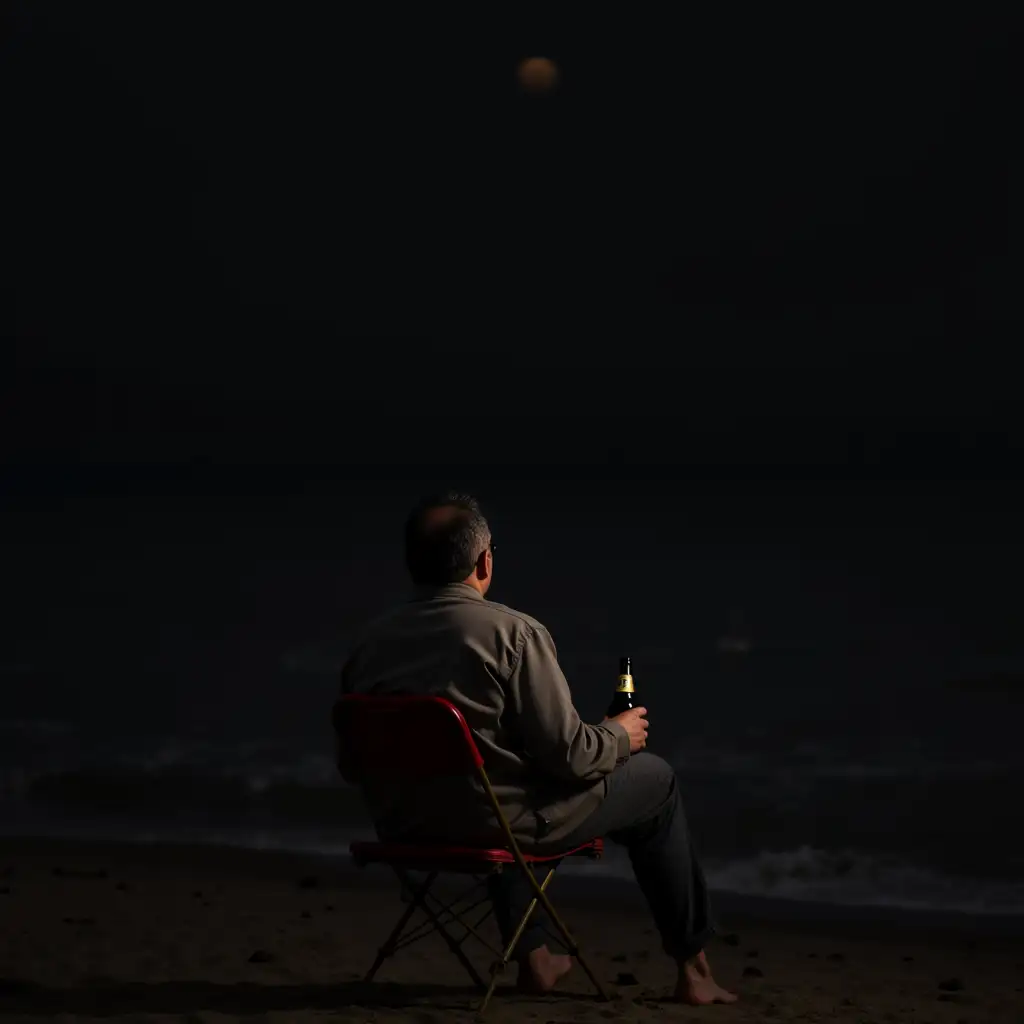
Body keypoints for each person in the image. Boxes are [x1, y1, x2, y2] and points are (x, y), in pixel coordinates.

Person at [338, 492, 737, 1005]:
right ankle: (694, 968)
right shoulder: (512, 634)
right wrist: (620, 734)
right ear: (484, 561)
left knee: (497, 776)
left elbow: (353, 766)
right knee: (656, 782)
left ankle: (535, 958)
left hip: (406, 827)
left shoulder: (369, 643)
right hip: (495, 824)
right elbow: (571, 757)